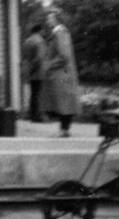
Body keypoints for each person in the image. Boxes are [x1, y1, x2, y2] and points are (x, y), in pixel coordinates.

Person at [41, 9, 80, 137]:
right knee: (64, 102)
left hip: (62, 73)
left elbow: (64, 56)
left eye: (50, 18)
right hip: (62, 72)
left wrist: (49, 65)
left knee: (63, 103)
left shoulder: (60, 33)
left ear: (57, 19)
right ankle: (64, 130)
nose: (47, 21)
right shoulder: (58, 33)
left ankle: (64, 130)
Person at [21, 23, 47, 122]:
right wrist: (34, 68)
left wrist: (29, 69)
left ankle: (31, 114)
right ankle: (37, 116)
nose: (43, 32)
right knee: (38, 94)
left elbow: (26, 57)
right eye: (42, 30)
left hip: (29, 70)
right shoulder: (40, 41)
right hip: (38, 71)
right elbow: (40, 57)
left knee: (33, 93)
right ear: (39, 30)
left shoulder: (27, 41)